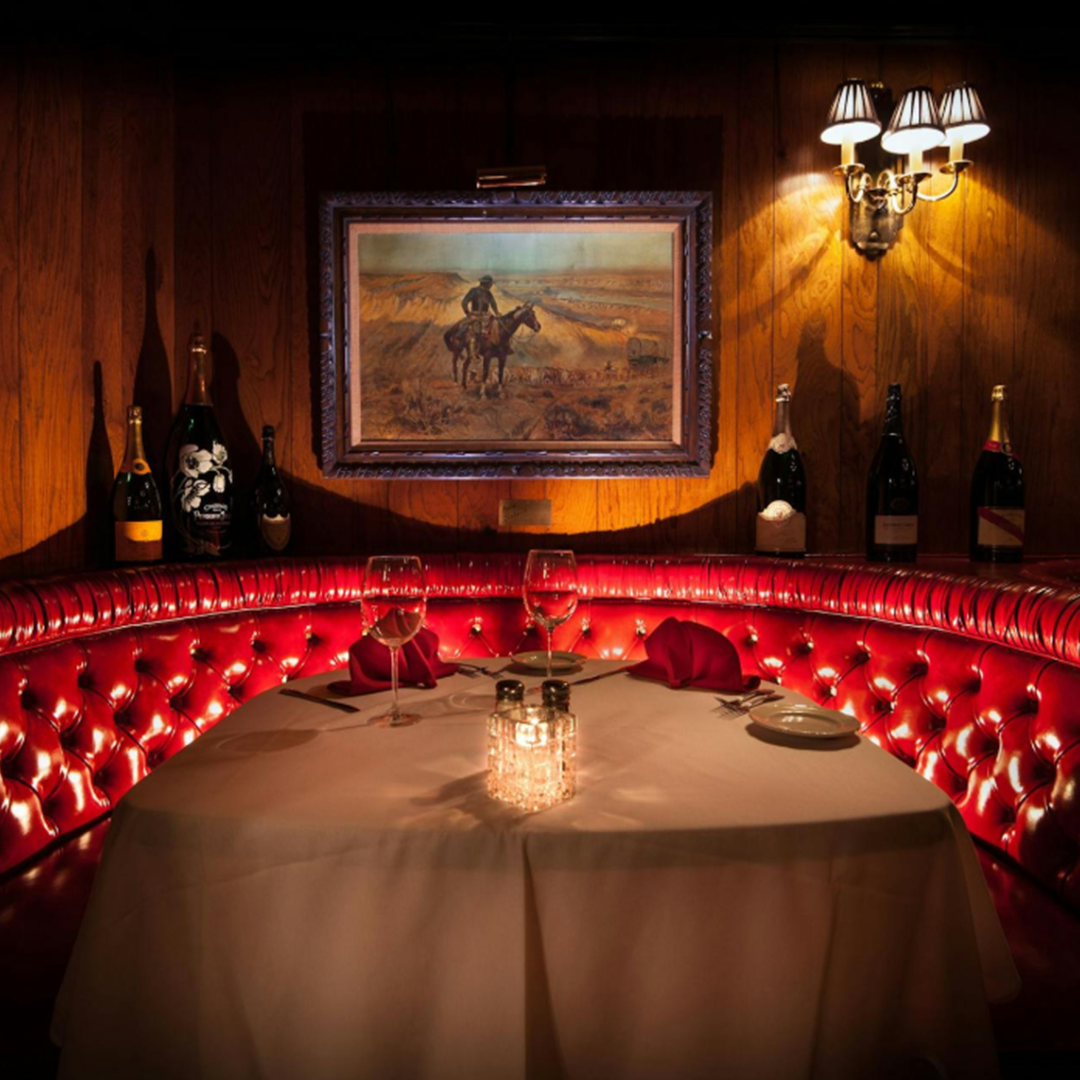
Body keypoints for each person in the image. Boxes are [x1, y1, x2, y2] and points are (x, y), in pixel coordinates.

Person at [461, 275, 501, 362]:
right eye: (490, 284)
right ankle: (473, 355)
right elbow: (464, 302)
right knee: (475, 333)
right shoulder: (474, 291)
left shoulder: (489, 293)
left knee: (497, 327)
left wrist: (497, 312)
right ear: (486, 283)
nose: (491, 285)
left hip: (486, 315)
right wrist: (469, 314)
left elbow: (493, 303)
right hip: (475, 315)